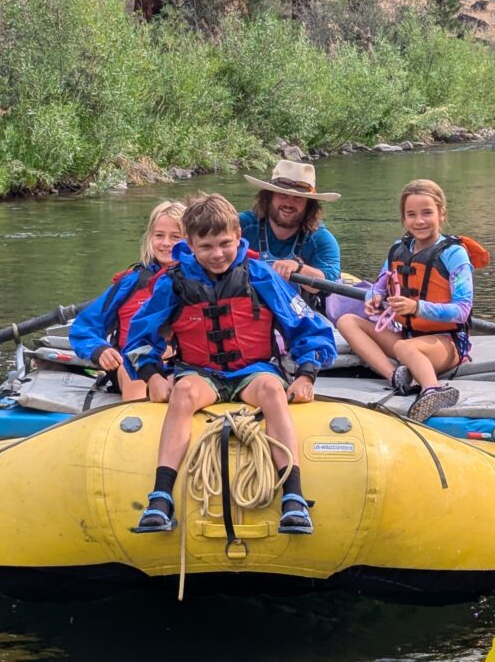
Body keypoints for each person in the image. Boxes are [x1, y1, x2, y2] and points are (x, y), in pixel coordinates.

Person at [123, 193, 337, 535]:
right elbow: (139, 338)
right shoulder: (173, 283)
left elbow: (308, 328)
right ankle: (161, 498)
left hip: (253, 372)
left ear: (239, 236)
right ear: (191, 244)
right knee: (181, 393)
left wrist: (307, 373)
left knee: (272, 389)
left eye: (225, 244)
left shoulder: (260, 276)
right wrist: (151, 376)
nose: (218, 254)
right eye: (206, 247)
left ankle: (293, 497)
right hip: (200, 373)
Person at [336, 179, 488, 422]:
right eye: (411, 214)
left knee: (404, 348)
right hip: (406, 335)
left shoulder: (454, 254)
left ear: (441, 213)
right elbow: (379, 285)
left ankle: (432, 389)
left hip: (446, 343)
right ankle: (397, 376)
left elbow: (462, 311)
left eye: (427, 213)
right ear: (403, 219)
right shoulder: (398, 249)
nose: (419, 221)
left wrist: (417, 307)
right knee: (347, 321)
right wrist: (373, 298)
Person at [69, 200, 186, 400]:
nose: (166, 243)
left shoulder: (201, 281)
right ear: (150, 238)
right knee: (134, 370)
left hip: (179, 366)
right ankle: (134, 422)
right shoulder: (130, 283)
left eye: (175, 237)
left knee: (182, 382)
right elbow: (84, 328)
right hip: (132, 366)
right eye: (159, 235)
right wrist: (100, 350)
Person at [240, 160, 341, 311]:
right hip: (247, 310)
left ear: (309, 204)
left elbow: (328, 286)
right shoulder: (242, 225)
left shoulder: (321, 239)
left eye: (298, 198)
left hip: (297, 316)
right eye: (282, 195)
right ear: (269, 197)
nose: (288, 203)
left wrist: (298, 267)